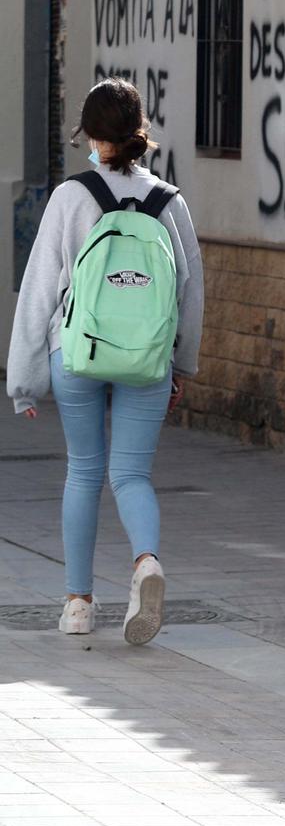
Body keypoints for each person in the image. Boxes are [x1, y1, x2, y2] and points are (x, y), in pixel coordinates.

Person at [7, 78, 204, 646]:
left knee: (84, 471)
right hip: (147, 357)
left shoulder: (71, 197)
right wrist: (181, 366)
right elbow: (190, 294)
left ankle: (77, 603)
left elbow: (39, 289)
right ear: (139, 134)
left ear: (92, 136)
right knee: (132, 474)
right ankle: (145, 563)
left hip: (78, 353)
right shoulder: (171, 203)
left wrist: (24, 381)